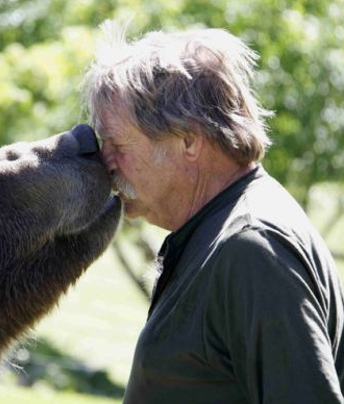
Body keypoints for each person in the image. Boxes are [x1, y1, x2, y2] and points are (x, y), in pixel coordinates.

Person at [83, 21, 344, 404]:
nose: (106, 162)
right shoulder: (224, 233)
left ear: (189, 140)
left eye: (116, 143)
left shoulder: (252, 248)